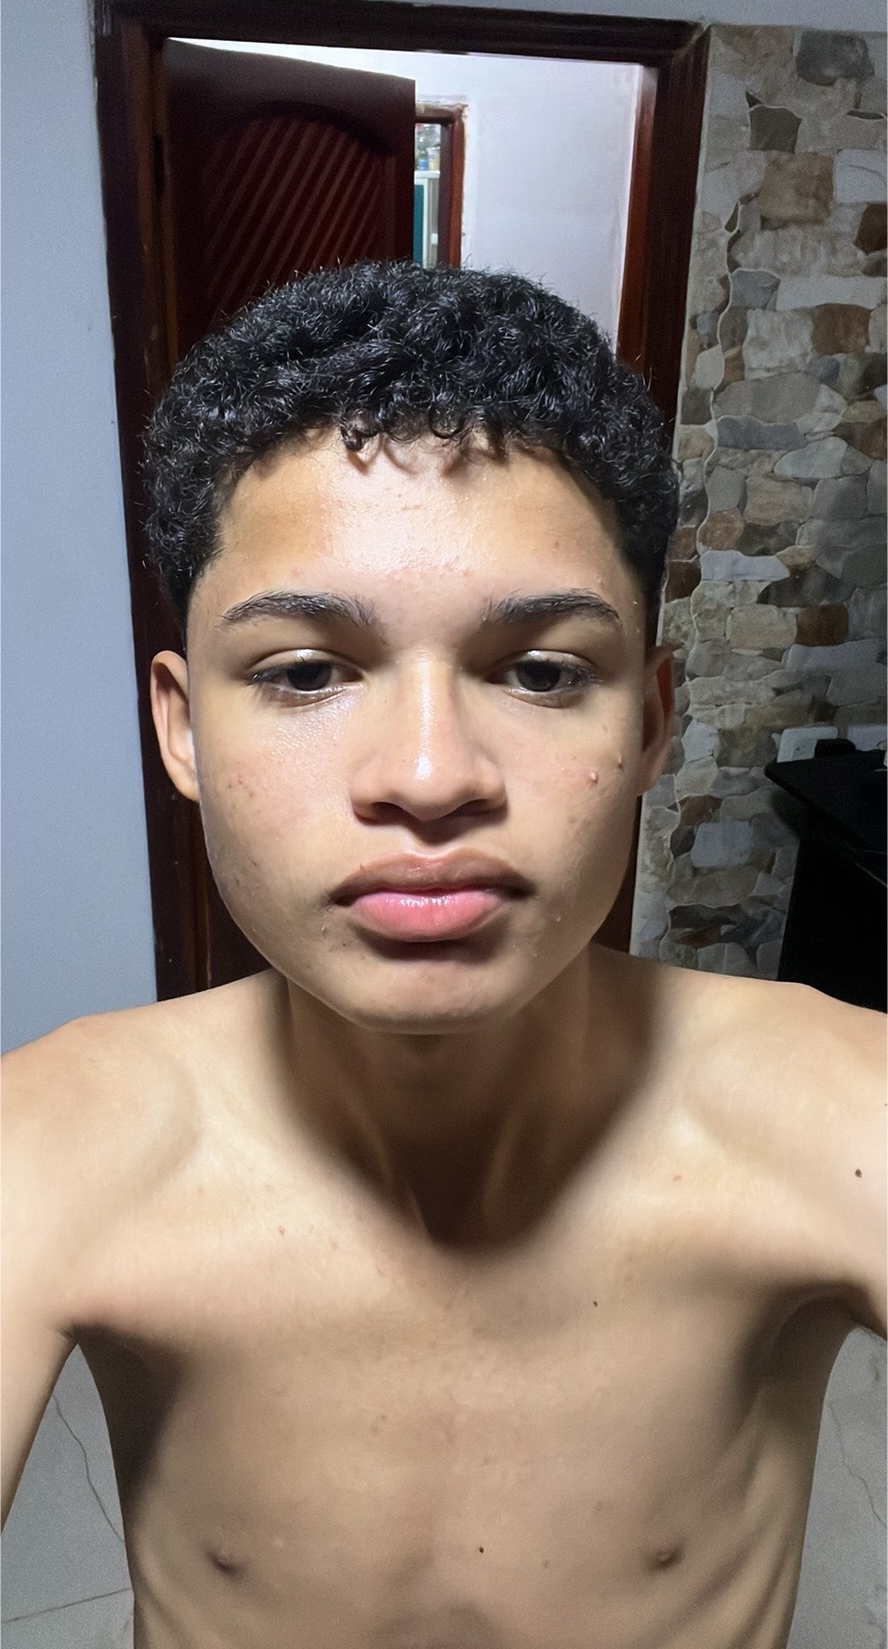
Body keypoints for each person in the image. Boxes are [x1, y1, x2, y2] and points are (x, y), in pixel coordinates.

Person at [2, 261, 884, 1649]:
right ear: (182, 728)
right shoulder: (51, 1143)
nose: (428, 778)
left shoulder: (840, 1111)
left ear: (650, 725)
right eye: (305, 672)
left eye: (541, 671)